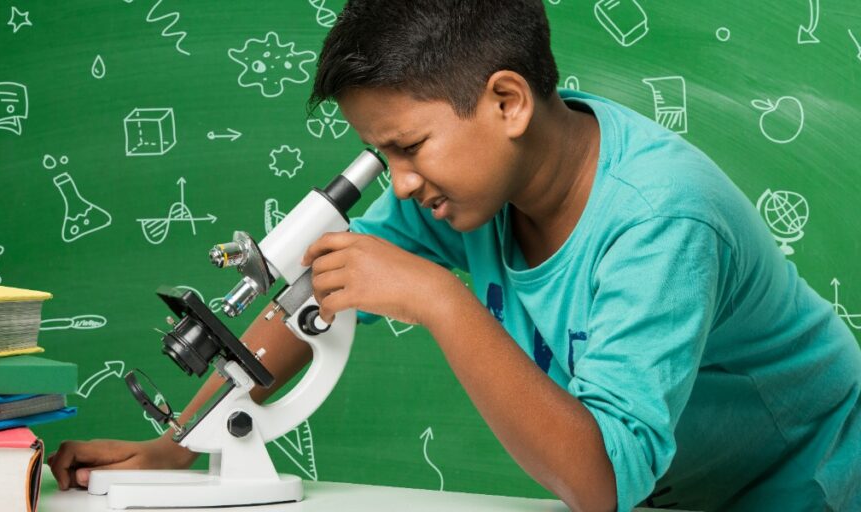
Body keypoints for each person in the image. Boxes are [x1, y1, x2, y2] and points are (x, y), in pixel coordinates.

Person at [49, 1, 861, 510]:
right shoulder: (477, 188)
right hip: (687, 484)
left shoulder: (660, 220)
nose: (399, 186)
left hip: (809, 483)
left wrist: (441, 299)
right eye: (380, 157)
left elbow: (601, 484)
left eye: (408, 148)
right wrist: (188, 443)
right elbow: (316, 292)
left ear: (505, 101)